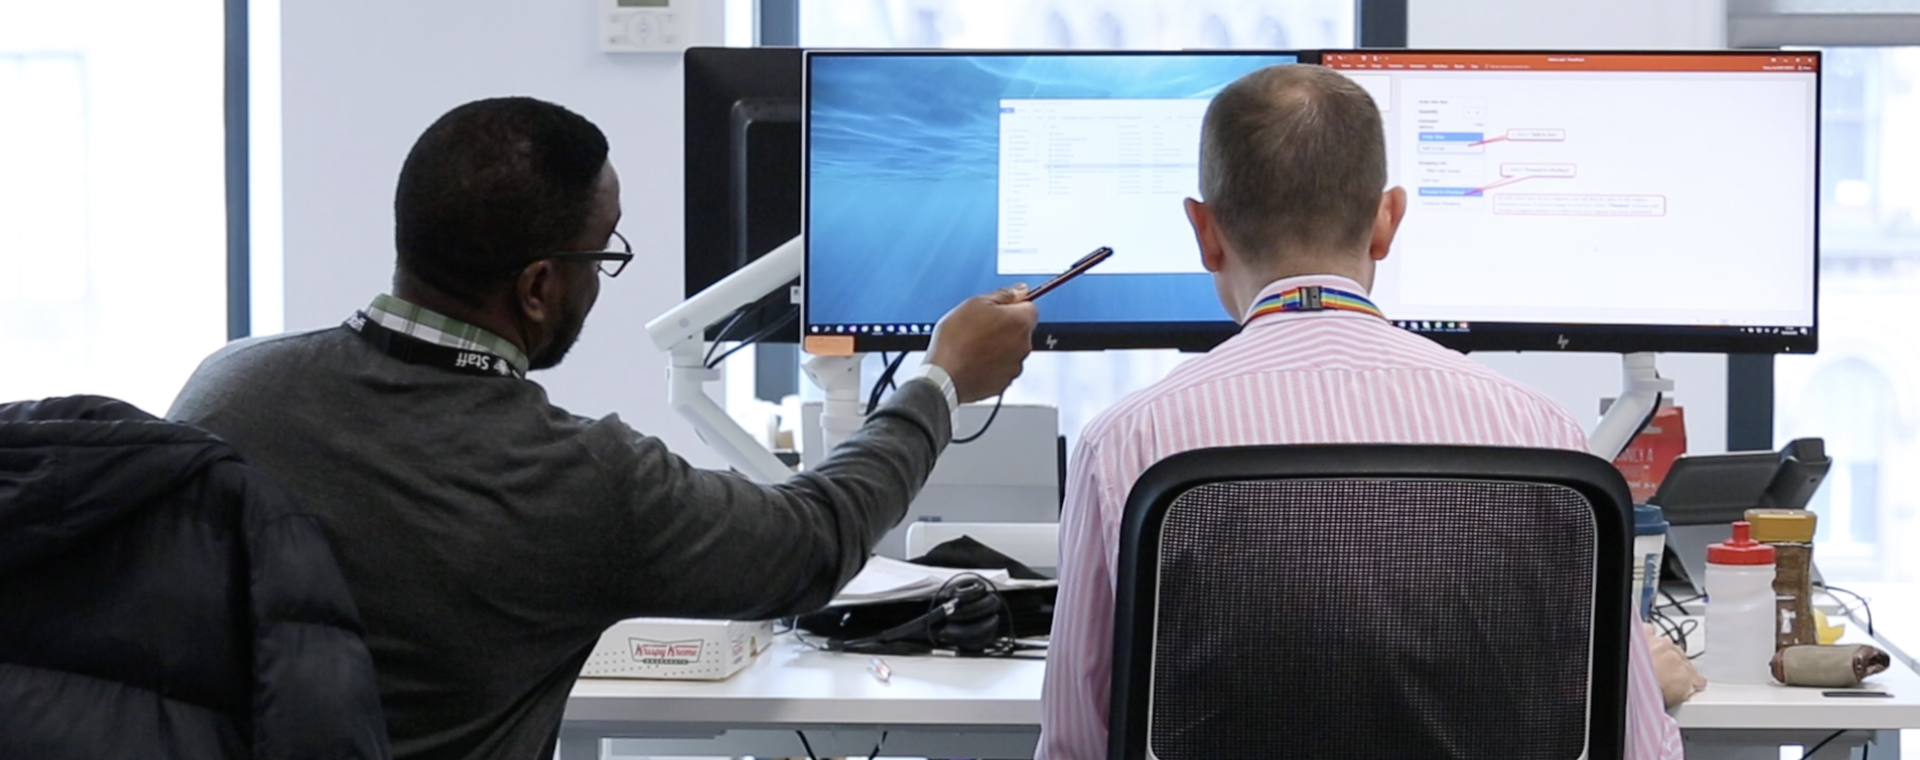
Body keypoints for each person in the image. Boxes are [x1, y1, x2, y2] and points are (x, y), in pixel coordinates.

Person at [168, 97, 1039, 760]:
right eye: (605, 254)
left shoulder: (229, 388)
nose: (602, 279)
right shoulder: (575, 482)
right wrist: (940, 382)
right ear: (540, 286)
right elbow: (812, 543)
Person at [1035, 65, 1702, 760]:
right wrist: (1638, 685)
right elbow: (1637, 750)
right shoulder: (1540, 435)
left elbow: (1078, 744)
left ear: (1204, 231)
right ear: (1387, 222)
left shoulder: (1126, 442)